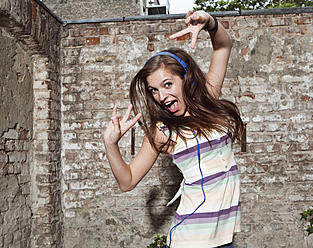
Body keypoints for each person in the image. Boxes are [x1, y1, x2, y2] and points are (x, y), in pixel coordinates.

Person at [103, 10, 244, 248]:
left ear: (186, 79)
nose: (161, 96)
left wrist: (209, 21)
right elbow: (127, 181)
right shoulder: (162, 131)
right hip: (190, 241)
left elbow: (223, 46)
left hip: (224, 240)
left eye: (168, 84)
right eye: (154, 90)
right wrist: (110, 144)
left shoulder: (208, 99)